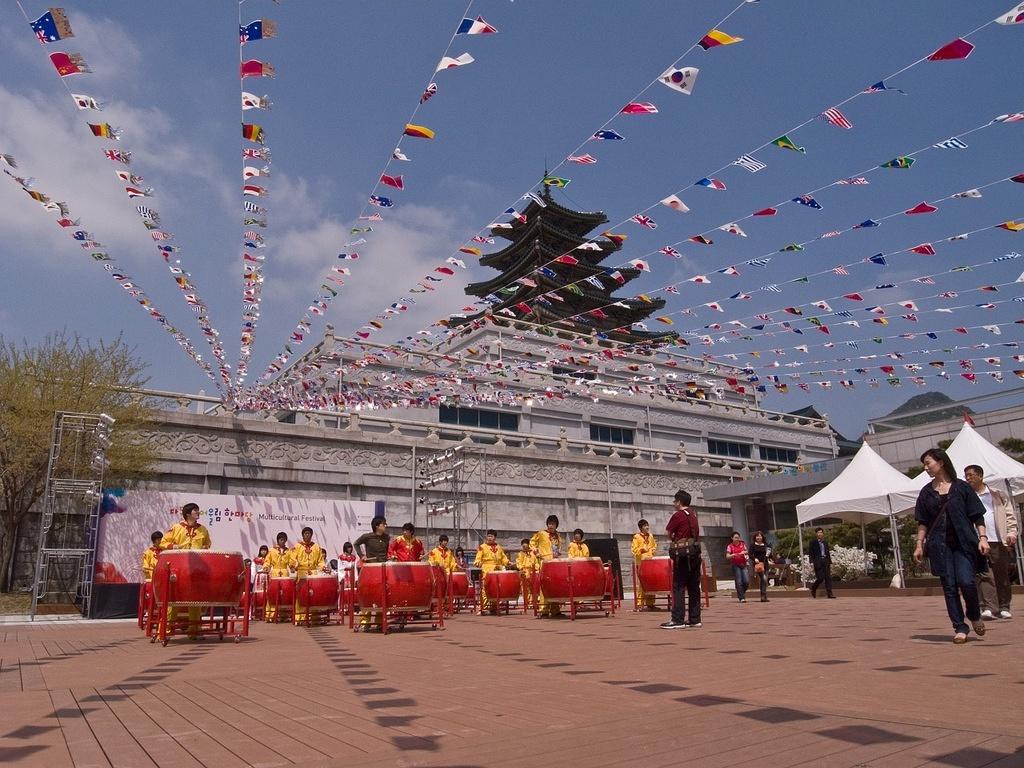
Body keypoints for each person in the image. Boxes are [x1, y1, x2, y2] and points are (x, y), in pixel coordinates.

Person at [914, 448, 990, 644]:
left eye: (928, 463)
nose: (926, 468)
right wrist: (919, 545)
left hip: (964, 544)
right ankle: (960, 627)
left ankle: (973, 615)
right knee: (949, 586)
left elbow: (977, 515)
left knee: (966, 581)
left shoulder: (962, 487)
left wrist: (982, 538)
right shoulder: (926, 492)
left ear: (941, 462)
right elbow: (922, 521)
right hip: (940, 546)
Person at [965, 465, 1018, 620]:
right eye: (966, 476)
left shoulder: (997, 494)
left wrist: (1011, 532)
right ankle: (989, 607)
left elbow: (1009, 515)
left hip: (998, 540)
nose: (968, 478)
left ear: (980, 476)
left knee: (1002, 575)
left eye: (971, 475)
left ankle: (1004, 606)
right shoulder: (967, 498)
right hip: (978, 542)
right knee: (984, 575)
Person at [160, 503, 211, 637]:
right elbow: (163, 543)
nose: (198, 513)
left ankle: (194, 631)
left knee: (195, 600)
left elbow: (208, 544)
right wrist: (174, 546)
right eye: (195, 510)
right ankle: (165, 630)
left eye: (198, 510)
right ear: (188, 513)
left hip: (195, 569)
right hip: (179, 568)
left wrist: (205, 548)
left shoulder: (203, 530)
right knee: (174, 599)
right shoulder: (177, 528)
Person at [661, 490, 702, 629]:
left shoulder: (678, 515)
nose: (674, 503)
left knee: (678, 586)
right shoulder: (693, 514)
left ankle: (677, 619)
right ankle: (695, 619)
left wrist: (674, 539)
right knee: (694, 587)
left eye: (675, 501)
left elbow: (667, 533)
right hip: (695, 554)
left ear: (679, 502)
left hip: (683, 556)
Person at [353, 516, 389, 631]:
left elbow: (387, 551)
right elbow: (356, 544)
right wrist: (361, 555)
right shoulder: (367, 537)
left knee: (381, 595)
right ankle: (365, 621)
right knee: (368, 595)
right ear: (377, 526)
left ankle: (379, 621)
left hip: (383, 569)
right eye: (384, 524)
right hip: (371, 569)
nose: (386, 526)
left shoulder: (387, 538)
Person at [290, 526, 328, 623]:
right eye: (305, 533)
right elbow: (293, 558)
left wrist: (323, 567)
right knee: (301, 594)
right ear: (302, 535)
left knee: (314, 594)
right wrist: (293, 566)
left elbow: (320, 561)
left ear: (311, 535)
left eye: (309, 533)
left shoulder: (316, 546)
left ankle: (314, 616)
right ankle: (300, 616)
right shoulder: (297, 546)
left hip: (313, 572)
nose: (307, 535)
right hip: (302, 572)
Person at [530, 514, 564, 617]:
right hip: (544, 562)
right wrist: (536, 552)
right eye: (549, 523)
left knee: (555, 586)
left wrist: (558, 553)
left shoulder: (558, 536)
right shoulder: (541, 533)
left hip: (554, 564)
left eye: (553, 524)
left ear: (556, 525)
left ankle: (555, 609)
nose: (551, 526)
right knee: (544, 586)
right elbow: (532, 542)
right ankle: (543, 609)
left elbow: (559, 548)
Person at [474, 529, 510, 614]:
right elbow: (477, 559)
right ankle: (484, 608)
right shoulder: (482, 547)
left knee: (496, 588)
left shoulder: (499, 547)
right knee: (485, 589)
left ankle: (494, 607)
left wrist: (508, 562)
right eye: (488, 536)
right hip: (487, 570)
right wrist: (478, 563)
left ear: (495, 537)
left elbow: (503, 558)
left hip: (497, 571)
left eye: (491, 536)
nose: (489, 538)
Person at [263, 532, 291, 621]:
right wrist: (266, 567)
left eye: (284, 540)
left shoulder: (288, 551)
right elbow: (267, 561)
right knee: (273, 594)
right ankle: (270, 615)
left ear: (286, 540)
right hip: (274, 573)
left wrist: (293, 566)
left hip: (285, 573)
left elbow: (291, 562)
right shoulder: (272, 550)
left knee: (285, 594)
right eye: (281, 539)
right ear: (278, 540)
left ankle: (284, 615)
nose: (282, 541)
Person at [631, 519, 658, 609]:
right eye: (645, 526)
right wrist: (642, 550)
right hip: (641, 563)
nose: (647, 527)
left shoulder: (650, 536)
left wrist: (652, 550)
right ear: (641, 528)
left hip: (650, 562)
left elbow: (654, 546)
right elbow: (634, 550)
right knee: (642, 584)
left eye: (647, 525)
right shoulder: (636, 537)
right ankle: (639, 603)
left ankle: (650, 603)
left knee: (651, 583)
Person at [808, 528, 835, 599]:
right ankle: (813, 588)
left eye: (821, 532)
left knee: (828, 578)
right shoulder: (813, 542)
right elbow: (810, 553)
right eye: (818, 532)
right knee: (820, 578)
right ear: (816, 534)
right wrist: (811, 562)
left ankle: (830, 594)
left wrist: (830, 561)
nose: (820, 534)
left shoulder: (825, 542)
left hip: (825, 561)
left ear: (823, 533)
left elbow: (827, 552)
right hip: (818, 562)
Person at [726, 532, 750, 603]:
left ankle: (741, 592)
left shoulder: (742, 544)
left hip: (743, 564)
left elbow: (746, 551)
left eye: (738, 537)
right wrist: (732, 555)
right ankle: (741, 597)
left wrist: (744, 552)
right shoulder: (730, 546)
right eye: (736, 537)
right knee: (739, 581)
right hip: (736, 565)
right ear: (732, 538)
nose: (737, 539)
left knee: (746, 581)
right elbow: (727, 556)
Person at [515, 538, 538, 610]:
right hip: (524, 571)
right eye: (523, 546)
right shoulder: (520, 554)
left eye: (526, 545)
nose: (524, 547)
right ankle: (526, 602)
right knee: (524, 588)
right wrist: (521, 569)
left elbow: (536, 562)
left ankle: (533, 602)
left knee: (533, 587)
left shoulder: (533, 553)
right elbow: (518, 563)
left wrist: (536, 568)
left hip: (532, 571)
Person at [749, 531, 771, 602]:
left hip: (765, 564)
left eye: (760, 536)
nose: (759, 537)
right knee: (764, 579)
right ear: (755, 537)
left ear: (762, 537)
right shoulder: (753, 545)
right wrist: (754, 559)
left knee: (764, 580)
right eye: (757, 536)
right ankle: (763, 595)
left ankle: (763, 596)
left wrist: (769, 553)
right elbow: (750, 554)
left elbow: (770, 555)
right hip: (758, 564)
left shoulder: (765, 545)